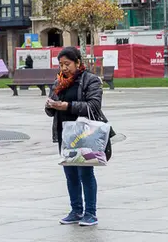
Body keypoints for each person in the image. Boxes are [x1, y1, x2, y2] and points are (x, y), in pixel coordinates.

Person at [44, 47, 111, 227]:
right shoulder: (59, 81)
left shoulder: (91, 80)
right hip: (65, 135)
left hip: (85, 134)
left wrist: (66, 106)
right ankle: (75, 210)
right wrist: (51, 105)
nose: (64, 68)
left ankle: (90, 213)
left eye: (67, 64)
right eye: (61, 64)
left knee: (85, 173)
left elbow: (94, 105)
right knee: (70, 174)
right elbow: (50, 111)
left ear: (78, 62)